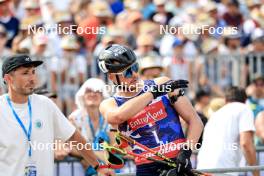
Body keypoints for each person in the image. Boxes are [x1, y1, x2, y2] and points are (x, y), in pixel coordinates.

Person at [98, 44, 203, 176]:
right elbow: (117, 117)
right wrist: (153, 94)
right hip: (146, 168)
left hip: (178, 162)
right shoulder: (109, 103)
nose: (135, 74)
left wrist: (186, 152)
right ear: (112, 77)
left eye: (135, 67)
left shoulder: (163, 83)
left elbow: (195, 120)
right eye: (127, 72)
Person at [0, 54, 111, 176]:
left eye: (33, 72)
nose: (32, 78)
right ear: (8, 79)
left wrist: (98, 166)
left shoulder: (45, 103)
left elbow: (74, 137)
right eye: (26, 73)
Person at [197, 87, 259, 176]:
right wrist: (256, 173)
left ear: (225, 100)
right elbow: (246, 144)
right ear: (245, 100)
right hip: (223, 170)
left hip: (202, 169)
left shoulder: (215, 115)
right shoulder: (244, 109)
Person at [68, 78, 115, 176]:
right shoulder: (74, 118)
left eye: (97, 91)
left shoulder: (110, 117)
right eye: (88, 91)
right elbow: (71, 147)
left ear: (103, 96)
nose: (92, 94)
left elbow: (115, 148)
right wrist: (98, 154)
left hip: (110, 171)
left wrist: (86, 154)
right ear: (82, 96)